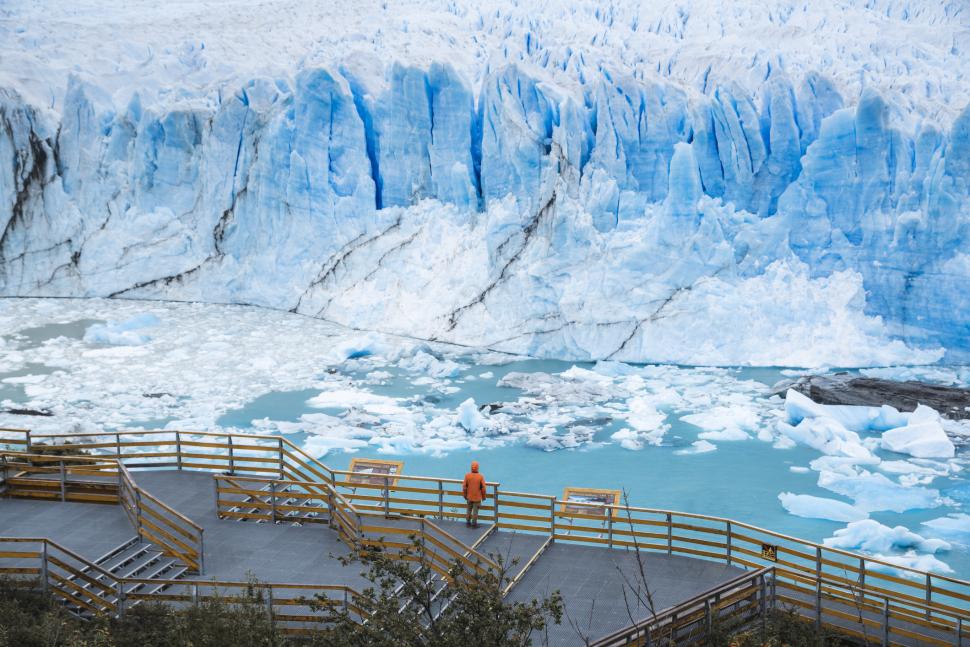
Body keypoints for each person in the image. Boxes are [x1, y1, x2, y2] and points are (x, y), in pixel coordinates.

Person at [462, 460, 487, 528]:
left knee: (468, 510)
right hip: (477, 498)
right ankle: (474, 524)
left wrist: (465, 495)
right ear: (478, 468)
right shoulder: (480, 476)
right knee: (475, 512)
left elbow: (464, 487)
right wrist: (484, 497)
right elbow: (483, 488)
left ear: (471, 468)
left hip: (469, 497)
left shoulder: (467, 476)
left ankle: (468, 522)